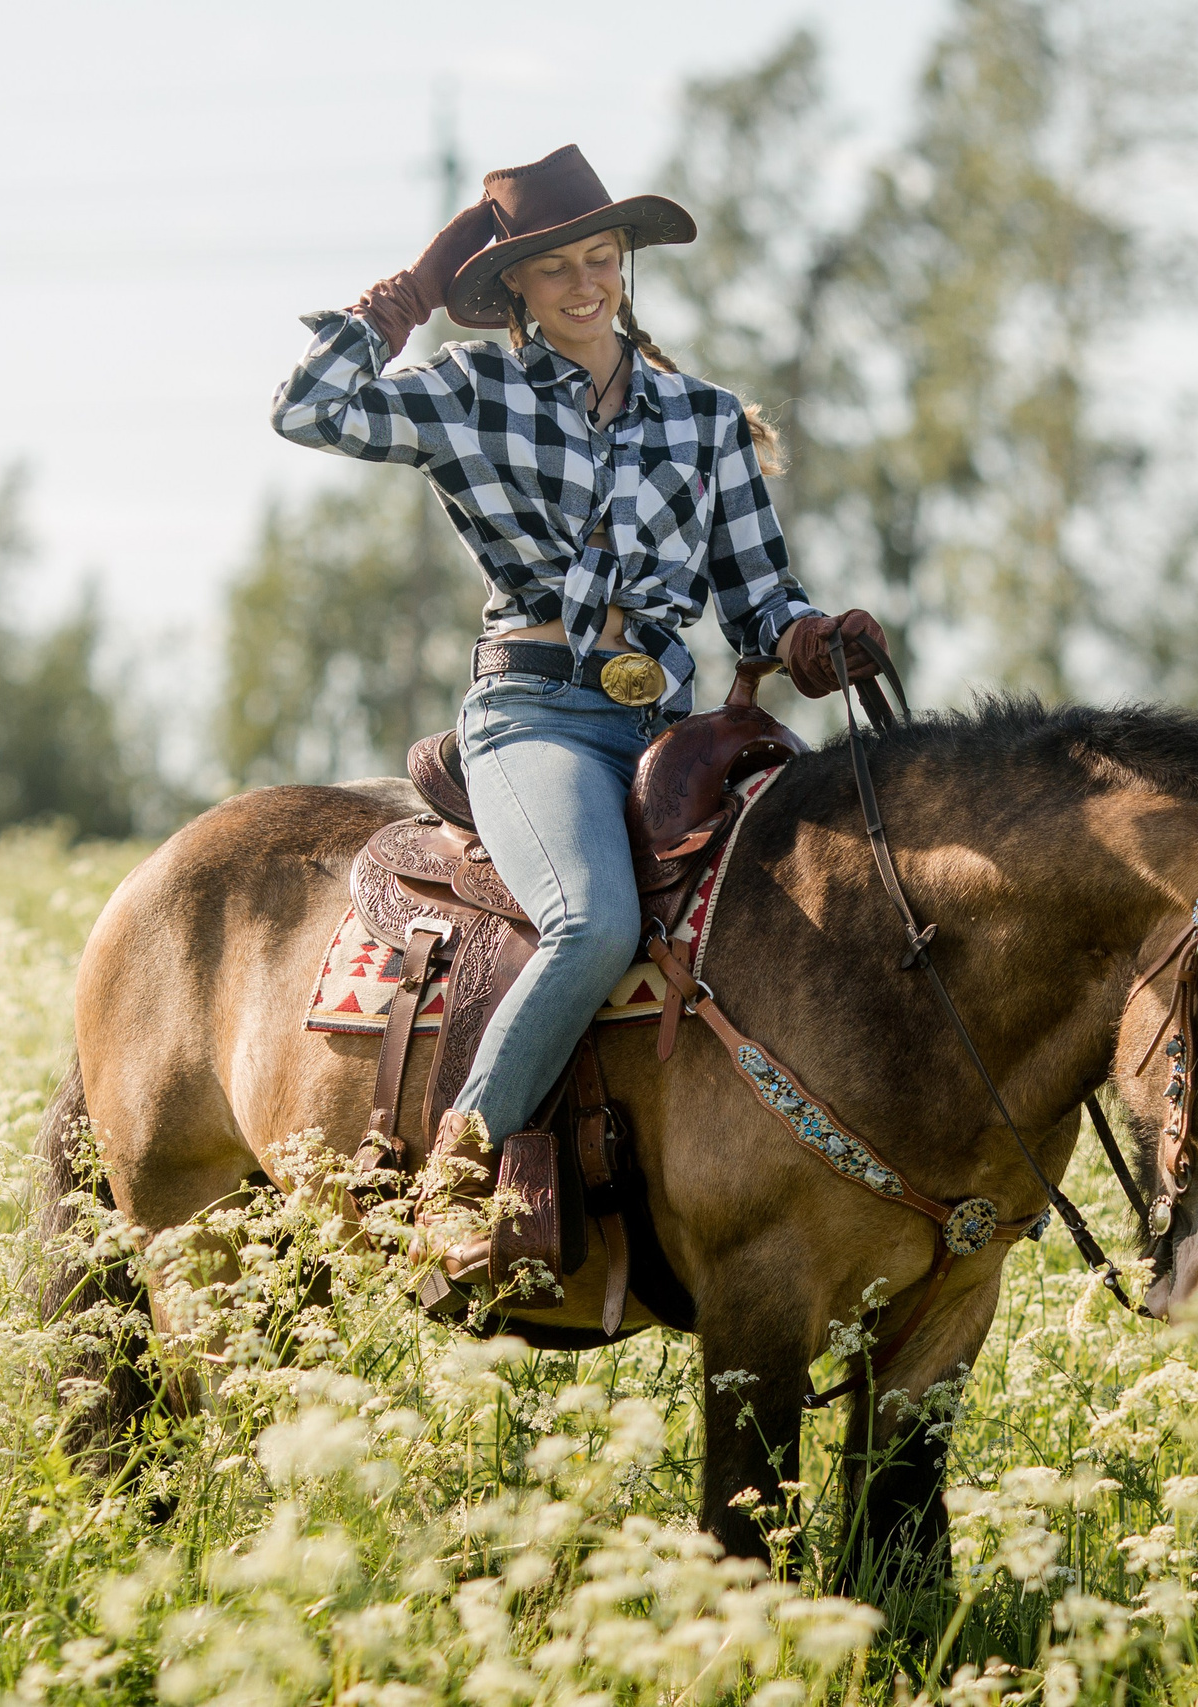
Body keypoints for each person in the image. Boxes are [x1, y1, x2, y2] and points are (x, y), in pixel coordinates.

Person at [271, 143, 886, 1173]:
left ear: (624, 264)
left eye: (600, 257)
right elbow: (308, 411)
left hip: (670, 736)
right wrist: (406, 299)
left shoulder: (706, 421)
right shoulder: (469, 392)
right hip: (534, 720)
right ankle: (461, 1172)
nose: (585, 283)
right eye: (555, 267)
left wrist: (812, 640)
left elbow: (757, 596)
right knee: (595, 927)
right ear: (513, 285)